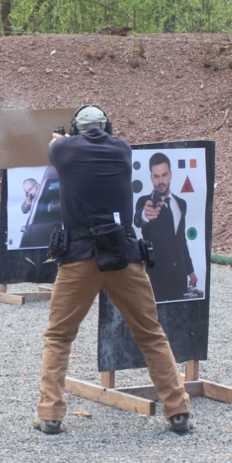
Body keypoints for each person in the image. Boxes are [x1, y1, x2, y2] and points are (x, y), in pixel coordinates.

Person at [34, 106, 193, 435]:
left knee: (59, 337)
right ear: (106, 126)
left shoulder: (63, 149)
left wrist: (61, 138)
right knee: (151, 335)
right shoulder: (122, 149)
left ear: (76, 130)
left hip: (79, 258)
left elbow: (57, 148)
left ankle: (50, 414)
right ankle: (178, 411)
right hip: (123, 258)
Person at [133, 152, 199, 302]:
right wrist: (145, 214)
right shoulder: (145, 201)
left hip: (180, 277)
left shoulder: (181, 204)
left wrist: (190, 271)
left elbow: (181, 240)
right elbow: (138, 219)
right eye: (156, 176)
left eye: (164, 175)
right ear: (151, 178)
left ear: (170, 175)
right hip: (156, 276)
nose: (160, 181)